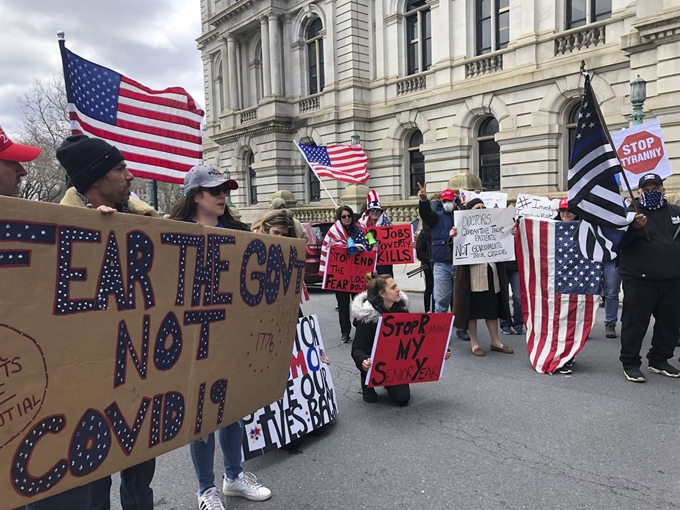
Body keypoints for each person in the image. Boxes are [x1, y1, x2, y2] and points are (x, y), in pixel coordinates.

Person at [55, 134, 158, 510]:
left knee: (139, 483)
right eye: (119, 168)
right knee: (93, 487)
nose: (130, 176)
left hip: (140, 381)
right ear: (96, 179)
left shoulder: (147, 221)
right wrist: (90, 235)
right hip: (89, 389)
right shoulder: (60, 228)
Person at [168, 165, 272, 510]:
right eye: (215, 191)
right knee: (200, 418)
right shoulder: (171, 233)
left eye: (225, 190)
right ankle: (205, 489)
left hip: (231, 338)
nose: (222, 196)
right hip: (192, 340)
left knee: (232, 411)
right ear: (196, 195)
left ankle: (233, 476)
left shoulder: (240, 233)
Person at [0, 130, 94, 510]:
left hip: (43, 435)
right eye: (11, 163)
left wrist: (97, 233)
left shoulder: (30, 229)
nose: (23, 171)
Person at [351, 273, 451, 404]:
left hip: (395, 362)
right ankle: (366, 380)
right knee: (370, 399)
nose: (398, 290)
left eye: (396, 286)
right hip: (373, 361)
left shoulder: (402, 310)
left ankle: (388, 381)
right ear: (382, 293)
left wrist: (440, 352)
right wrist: (363, 360)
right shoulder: (366, 317)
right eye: (393, 288)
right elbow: (357, 349)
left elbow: (415, 341)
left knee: (402, 399)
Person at [617, 173, 680, 383]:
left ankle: (659, 360)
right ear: (639, 193)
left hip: (672, 279)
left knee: (669, 323)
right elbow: (618, 245)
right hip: (639, 279)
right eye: (647, 189)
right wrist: (633, 228)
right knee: (635, 324)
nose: (652, 192)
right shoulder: (629, 214)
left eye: (656, 188)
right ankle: (630, 363)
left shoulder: (675, 212)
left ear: (663, 190)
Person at [450, 198, 514, 357]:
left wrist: (511, 233)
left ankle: (495, 342)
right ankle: (475, 343)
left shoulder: (495, 225)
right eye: (477, 207)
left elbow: (505, 243)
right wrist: (453, 237)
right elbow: (453, 250)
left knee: (492, 309)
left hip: (492, 274)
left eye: (483, 206)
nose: (481, 208)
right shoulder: (462, 227)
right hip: (472, 277)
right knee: (472, 311)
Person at [417, 183, 469, 340]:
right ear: (441, 202)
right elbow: (425, 214)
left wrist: (461, 203)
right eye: (445, 201)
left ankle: (461, 328)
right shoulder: (436, 217)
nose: (447, 204)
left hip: (459, 263)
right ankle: (440, 332)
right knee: (441, 301)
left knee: (461, 299)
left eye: (450, 201)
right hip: (441, 264)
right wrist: (424, 200)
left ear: (454, 201)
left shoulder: (462, 216)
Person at [319, 205, 370, 343]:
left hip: (356, 275)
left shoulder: (358, 230)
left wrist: (360, 248)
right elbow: (327, 248)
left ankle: (358, 325)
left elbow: (368, 246)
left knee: (358, 302)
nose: (346, 219)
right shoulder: (333, 232)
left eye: (349, 216)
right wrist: (344, 248)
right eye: (343, 216)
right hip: (340, 275)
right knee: (343, 305)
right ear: (339, 218)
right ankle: (345, 332)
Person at [357, 190, 394, 277]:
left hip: (383, 265)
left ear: (381, 211)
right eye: (372, 210)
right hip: (366, 263)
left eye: (377, 210)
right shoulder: (360, 225)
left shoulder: (388, 225)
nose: (374, 212)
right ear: (368, 212)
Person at [415, 224, 434, 312]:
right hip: (428, 264)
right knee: (430, 286)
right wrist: (429, 260)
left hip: (437, 262)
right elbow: (419, 251)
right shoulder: (424, 233)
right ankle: (427, 310)